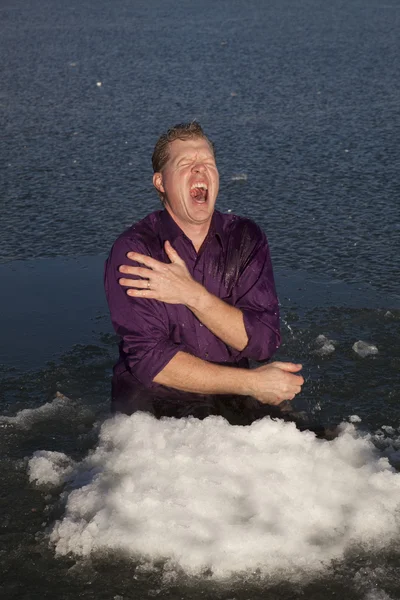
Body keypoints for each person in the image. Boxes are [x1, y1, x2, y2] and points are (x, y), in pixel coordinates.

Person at [104, 122, 305, 426]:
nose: (200, 170)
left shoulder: (245, 237)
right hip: (153, 410)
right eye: (186, 164)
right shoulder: (135, 250)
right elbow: (151, 361)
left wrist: (193, 295)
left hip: (231, 395)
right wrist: (252, 384)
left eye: (208, 163)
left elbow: (263, 342)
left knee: (322, 452)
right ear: (160, 182)